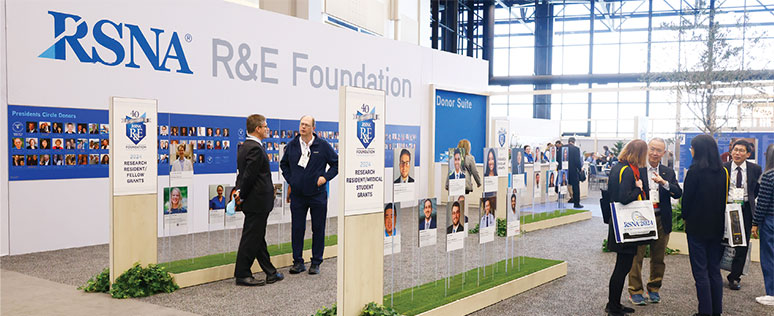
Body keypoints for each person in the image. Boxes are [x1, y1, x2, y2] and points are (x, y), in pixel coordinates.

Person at [280, 115, 338, 276]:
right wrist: (292, 180)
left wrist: (325, 178)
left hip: (317, 195)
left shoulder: (323, 146)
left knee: (318, 228)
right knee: (297, 228)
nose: (303, 127)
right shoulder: (292, 145)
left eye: (306, 125)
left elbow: (336, 163)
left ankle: (316, 262)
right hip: (298, 195)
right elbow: (284, 165)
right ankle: (298, 262)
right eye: (301, 124)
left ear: (313, 128)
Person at [627, 138, 683, 305]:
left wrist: (664, 183)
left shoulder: (667, 172)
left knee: (658, 257)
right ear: (647, 149)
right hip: (641, 218)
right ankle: (635, 290)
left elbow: (678, 193)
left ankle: (654, 288)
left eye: (659, 150)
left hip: (661, 218)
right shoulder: (637, 169)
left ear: (663, 153)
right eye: (652, 149)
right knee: (637, 256)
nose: (655, 153)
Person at [233, 114, 283, 286]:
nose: (268, 129)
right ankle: (242, 274)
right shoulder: (254, 148)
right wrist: (242, 194)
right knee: (251, 237)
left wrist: (239, 192)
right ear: (258, 129)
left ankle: (271, 272)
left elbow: (242, 175)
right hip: (257, 201)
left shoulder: (245, 146)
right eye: (265, 126)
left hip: (254, 200)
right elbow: (249, 176)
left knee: (257, 236)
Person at [682, 134, 728, 316]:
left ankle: (705, 312)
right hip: (716, 227)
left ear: (698, 150)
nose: (691, 151)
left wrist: (685, 216)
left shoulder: (694, 171)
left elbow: (686, 201)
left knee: (700, 272)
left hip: (697, 227)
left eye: (692, 148)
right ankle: (716, 311)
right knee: (714, 271)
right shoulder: (722, 171)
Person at [605, 139, 650, 316]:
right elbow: (624, 198)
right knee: (622, 268)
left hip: (618, 222)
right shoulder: (629, 171)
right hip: (626, 225)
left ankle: (614, 303)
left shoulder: (618, 167)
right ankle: (613, 307)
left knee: (621, 267)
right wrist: (639, 188)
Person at [723, 139, 762, 290]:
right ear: (731, 151)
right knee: (720, 239)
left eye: (741, 151)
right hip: (726, 207)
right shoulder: (723, 167)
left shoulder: (755, 169)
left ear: (748, 154)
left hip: (744, 208)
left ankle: (734, 276)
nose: (737, 153)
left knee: (741, 243)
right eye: (735, 150)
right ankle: (713, 272)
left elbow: (756, 189)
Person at [751, 144, 774, 306]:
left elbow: (763, 203)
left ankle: (772, 293)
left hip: (770, 220)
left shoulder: (769, 176)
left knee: (769, 256)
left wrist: (755, 223)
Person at [566, 137, 584, 208]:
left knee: (563, 185)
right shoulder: (576, 149)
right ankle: (576, 203)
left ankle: (560, 202)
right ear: (574, 142)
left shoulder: (562, 148)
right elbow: (577, 161)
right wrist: (580, 169)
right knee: (576, 187)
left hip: (564, 171)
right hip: (573, 171)